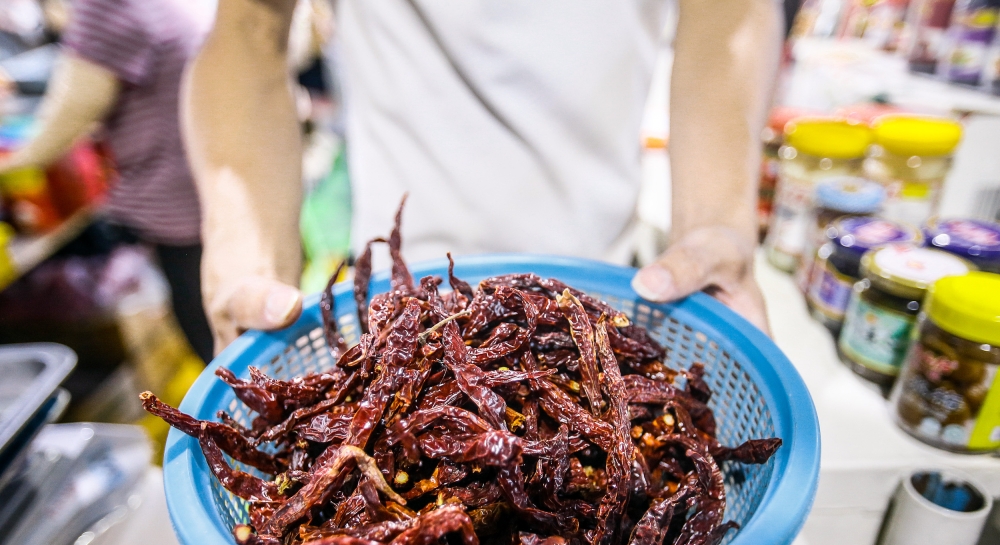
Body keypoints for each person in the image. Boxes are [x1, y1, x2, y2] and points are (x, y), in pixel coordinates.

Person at [184, 0, 781, 352]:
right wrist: (247, 255)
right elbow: (250, 23)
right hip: (398, 313)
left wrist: (716, 225)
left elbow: (727, 15)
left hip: (604, 288)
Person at [0, 0, 215, 363]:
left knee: (208, 330)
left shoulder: (101, 5)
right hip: (200, 179)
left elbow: (72, 111)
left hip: (178, 196)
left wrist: (12, 164)